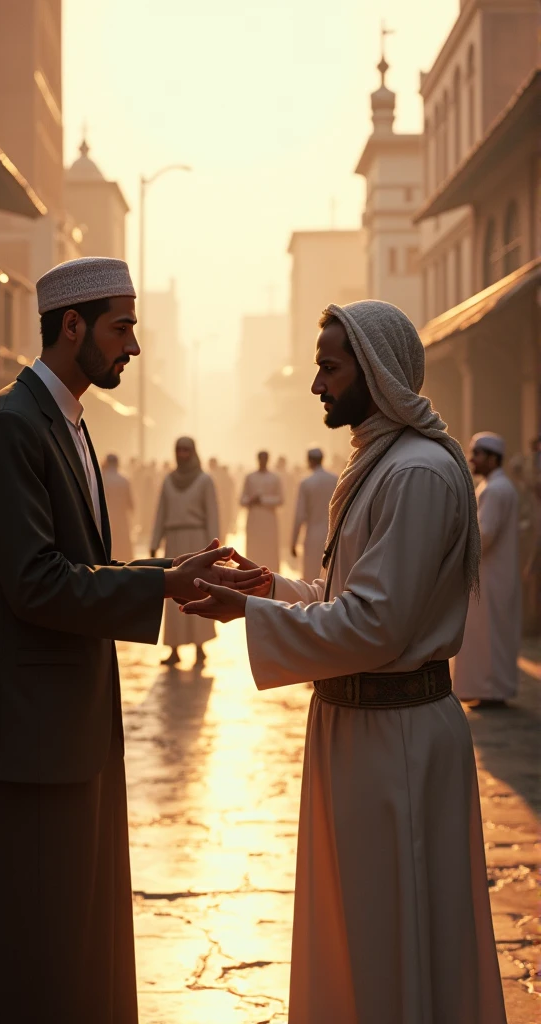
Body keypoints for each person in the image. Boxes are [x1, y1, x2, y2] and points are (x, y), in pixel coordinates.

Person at [0, 256, 267, 1024]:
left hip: (72, 725)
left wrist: (167, 572)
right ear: (72, 326)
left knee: (79, 940)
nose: (133, 346)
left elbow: (80, 564)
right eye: (122, 328)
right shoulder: (9, 425)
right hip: (28, 736)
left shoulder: (64, 420)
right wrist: (158, 585)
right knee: (33, 949)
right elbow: (37, 582)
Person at [183, 300, 506, 1023]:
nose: (316, 384)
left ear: (377, 371)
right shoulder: (379, 465)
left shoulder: (415, 473)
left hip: (396, 741)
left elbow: (377, 625)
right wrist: (272, 589)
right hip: (358, 732)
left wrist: (255, 614)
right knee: (355, 935)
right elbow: (346, 598)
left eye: (330, 367)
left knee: (395, 935)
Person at [453, 433, 521, 708]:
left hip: (491, 575)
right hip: (494, 574)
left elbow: (485, 535)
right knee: (490, 635)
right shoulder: (496, 486)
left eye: (477, 454)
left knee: (488, 636)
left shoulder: (495, 489)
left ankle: (490, 690)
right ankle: (489, 689)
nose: (472, 459)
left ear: (493, 458)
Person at [151, 438, 220, 667]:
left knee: (198, 590)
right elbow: (161, 513)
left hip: (198, 542)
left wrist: (215, 548)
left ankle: (200, 646)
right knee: (172, 593)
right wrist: (155, 540)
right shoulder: (168, 481)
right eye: (179, 450)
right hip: (174, 542)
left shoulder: (204, 480)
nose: (182, 454)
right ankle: (174, 648)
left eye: (186, 450)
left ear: (193, 452)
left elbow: (212, 514)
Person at [291, 447, 337, 582]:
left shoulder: (306, 482)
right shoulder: (335, 479)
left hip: (312, 535)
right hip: (333, 535)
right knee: (329, 578)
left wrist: (293, 541)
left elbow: (299, 515)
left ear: (309, 461)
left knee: (311, 579)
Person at [240, 450, 283, 569]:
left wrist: (263, 500)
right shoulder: (250, 477)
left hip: (269, 519)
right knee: (254, 549)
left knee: (269, 549)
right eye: (261, 459)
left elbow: (280, 499)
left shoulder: (274, 478)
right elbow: (242, 499)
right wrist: (251, 500)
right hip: (254, 519)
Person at [102, 453, 134, 562]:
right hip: (122, 517)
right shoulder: (124, 479)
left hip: (108, 518)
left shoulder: (102, 479)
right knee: (123, 545)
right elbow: (131, 503)